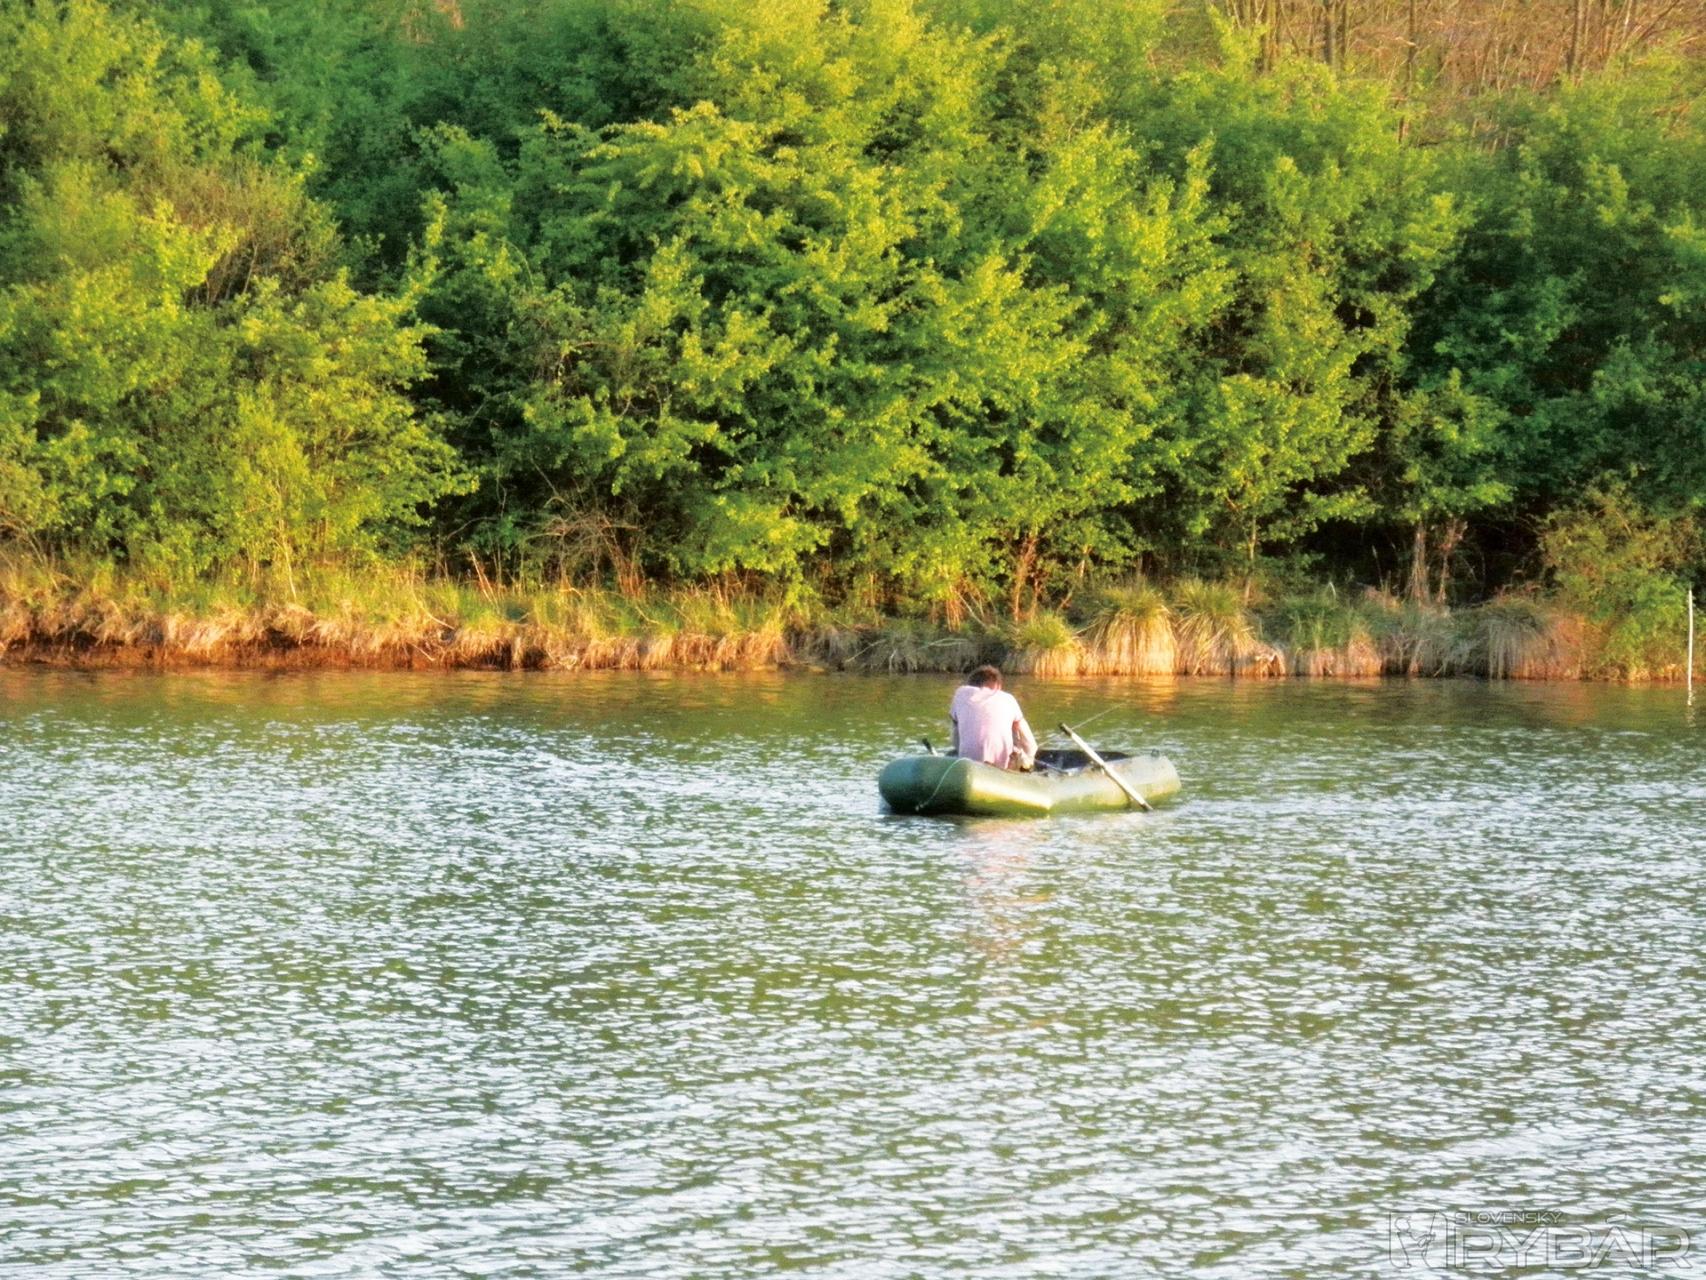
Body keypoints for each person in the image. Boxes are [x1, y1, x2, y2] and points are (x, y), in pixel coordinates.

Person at [948, 665, 1038, 770]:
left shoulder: (960, 694)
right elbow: (1030, 744)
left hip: (968, 764)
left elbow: (955, 737)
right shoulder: (1008, 699)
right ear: (998, 686)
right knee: (1021, 744)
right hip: (1001, 767)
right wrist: (1029, 760)